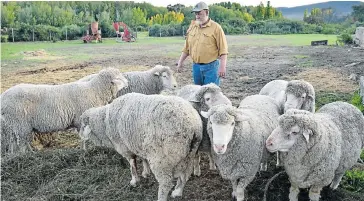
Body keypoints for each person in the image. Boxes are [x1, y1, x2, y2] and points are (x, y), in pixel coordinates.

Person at [176, 1, 228, 86]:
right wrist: (180, 62)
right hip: (196, 67)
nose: (197, 16)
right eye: (196, 13)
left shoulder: (216, 28)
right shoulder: (193, 27)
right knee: (198, 94)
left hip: (211, 67)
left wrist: (222, 67)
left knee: (210, 95)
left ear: (207, 12)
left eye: (199, 13)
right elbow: (186, 48)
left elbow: (223, 50)